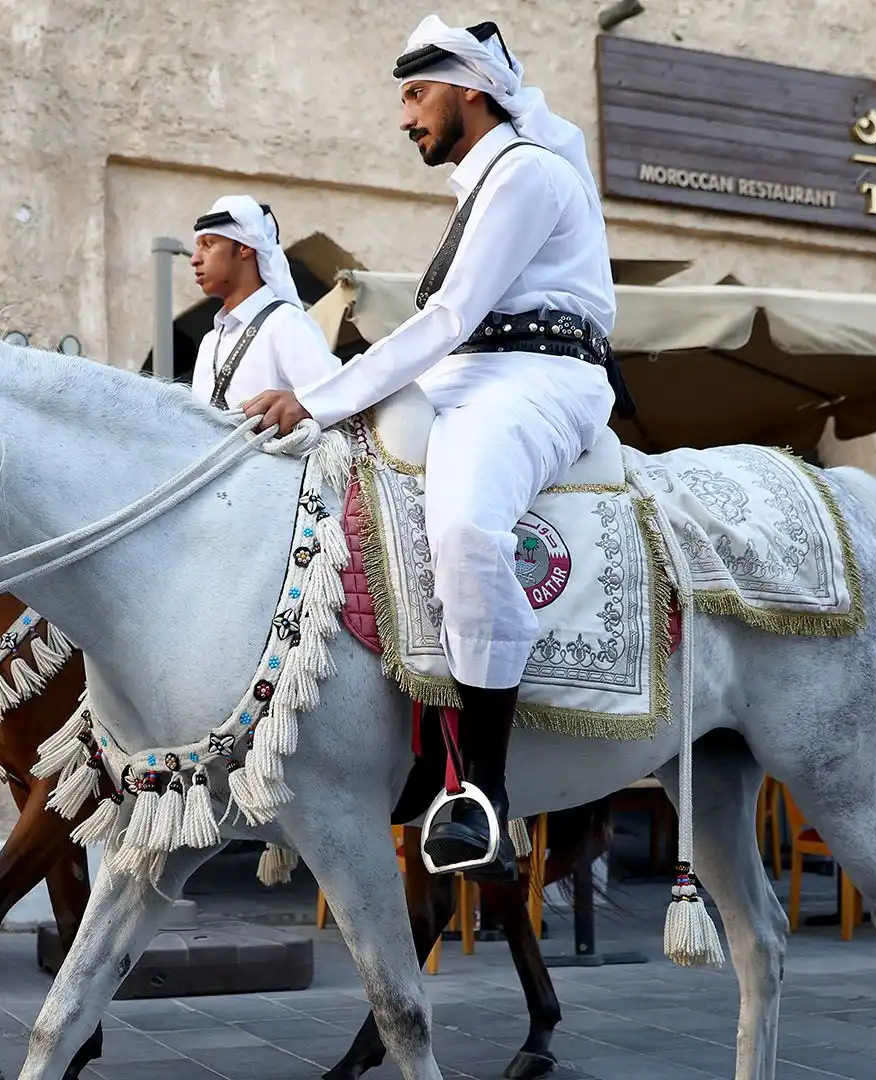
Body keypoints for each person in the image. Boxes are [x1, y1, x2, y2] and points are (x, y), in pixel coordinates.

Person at [241, 15, 625, 878]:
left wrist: (318, 395)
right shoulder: (480, 186)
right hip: (470, 374)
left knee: (463, 528)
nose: (405, 115)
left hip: (539, 379)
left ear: (469, 90)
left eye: (417, 94)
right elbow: (451, 336)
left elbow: (449, 318)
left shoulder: (527, 174)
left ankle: (479, 786)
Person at [188, 195, 340, 410]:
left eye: (208, 245)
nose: (195, 259)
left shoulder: (285, 322)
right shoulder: (210, 341)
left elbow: (333, 402)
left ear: (245, 247)